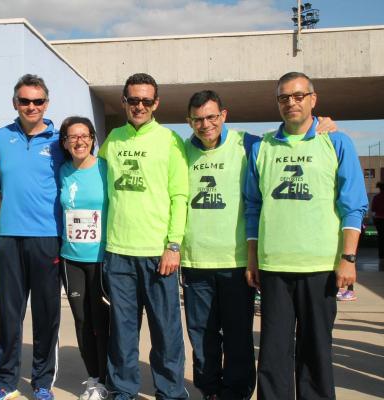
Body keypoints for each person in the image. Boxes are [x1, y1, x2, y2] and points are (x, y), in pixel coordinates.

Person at [245, 72, 368, 400]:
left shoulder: (337, 141)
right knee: (272, 356)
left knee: (315, 353)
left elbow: (353, 205)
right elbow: (253, 209)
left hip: (320, 267)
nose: (291, 102)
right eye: (284, 97)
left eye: (299, 96)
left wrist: (349, 259)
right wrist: (254, 259)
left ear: (313, 99)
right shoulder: (262, 147)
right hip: (274, 269)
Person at [99, 73, 189, 400]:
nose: (139, 106)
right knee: (122, 333)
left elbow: (180, 197)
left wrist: (173, 245)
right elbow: (98, 188)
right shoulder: (113, 140)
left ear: (156, 104)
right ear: (124, 101)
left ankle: (171, 392)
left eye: (146, 101)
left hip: (158, 255)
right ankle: (123, 391)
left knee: (166, 333)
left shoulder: (170, 141)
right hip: (118, 254)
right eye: (133, 100)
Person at [0, 74, 63, 400]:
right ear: (15, 102)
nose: (31, 106)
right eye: (24, 100)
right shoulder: (0, 137)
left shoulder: (61, 141)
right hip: (9, 239)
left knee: (46, 316)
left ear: (46, 103)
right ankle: (4, 382)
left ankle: (42, 383)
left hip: (48, 239)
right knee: (10, 316)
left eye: (38, 101)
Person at [180, 90, 257, 400]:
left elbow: (286, 141)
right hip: (196, 262)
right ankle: (210, 390)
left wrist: (321, 124)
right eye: (198, 119)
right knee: (202, 336)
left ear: (224, 115)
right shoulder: (181, 151)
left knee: (238, 336)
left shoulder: (249, 145)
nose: (205, 124)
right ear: (189, 121)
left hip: (236, 262)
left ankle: (236, 392)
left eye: (212, 117)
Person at [58, 116, 110, 400]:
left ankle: (107, 379)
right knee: (82, 321)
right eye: (72, 137)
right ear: (64, 143)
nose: (79, 141)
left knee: (102, 322)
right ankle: (93, 379)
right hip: (71, 258)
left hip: (101, 258)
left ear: (92, 138)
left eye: (84, 135)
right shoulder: (62, 172)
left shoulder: (106, 169)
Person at [371, 181, 384, 260]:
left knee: (381, 237)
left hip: (379, 219)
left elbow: (373, 209)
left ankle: (381, 255)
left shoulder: (376, 197)